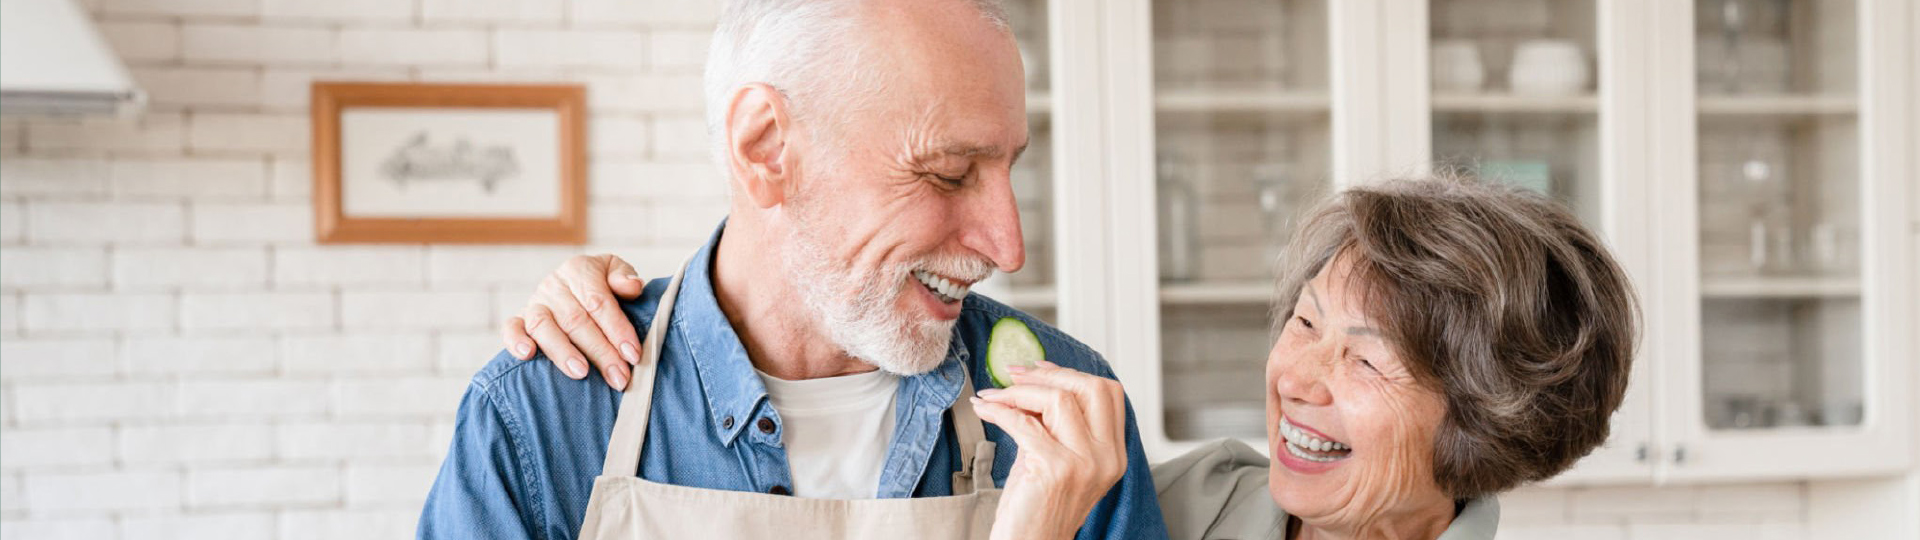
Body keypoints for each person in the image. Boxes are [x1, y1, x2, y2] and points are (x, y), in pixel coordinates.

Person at [512, 178, 1640, 539]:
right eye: (1304, 323)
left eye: (1368, 362)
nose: (1298, 377)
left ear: (1484, 418)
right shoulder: (1178, 503)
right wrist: (658, 307)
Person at [417, 0, 1167, 539]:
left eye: (1009, 169)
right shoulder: (546, 417)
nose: (1008, 246)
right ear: (766, 149)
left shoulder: (1067, 423)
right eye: (948, 173)